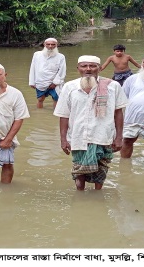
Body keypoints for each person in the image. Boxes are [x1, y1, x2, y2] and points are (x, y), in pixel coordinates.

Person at [54, 55, 128, 191]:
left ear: (99, 68)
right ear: (78, 69)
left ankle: (97, 194)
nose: (88, 69)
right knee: (79, 169)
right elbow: (63, 115)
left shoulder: (113, 86)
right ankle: (80, 194)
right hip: (78, 136)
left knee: (101, 170)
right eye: (84, 66)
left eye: (92, 66)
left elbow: (118, 113)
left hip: (103, 136)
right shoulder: (69, 87)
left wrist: (119, 137)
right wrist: (63, 139)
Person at [28, 37, 67, 109]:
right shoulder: (37, 55)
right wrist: (32, 82)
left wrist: (55, 83)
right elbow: (32, 68)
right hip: (40, 81)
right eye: (48, 44)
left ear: (56, 45)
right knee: (40, 99)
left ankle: (55, 115)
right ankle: (39, 114)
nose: (50, 46)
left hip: (55, 83)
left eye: (53, 44)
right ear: (44, 44)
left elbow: (62, 71)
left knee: (56, 99)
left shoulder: (61, 57)